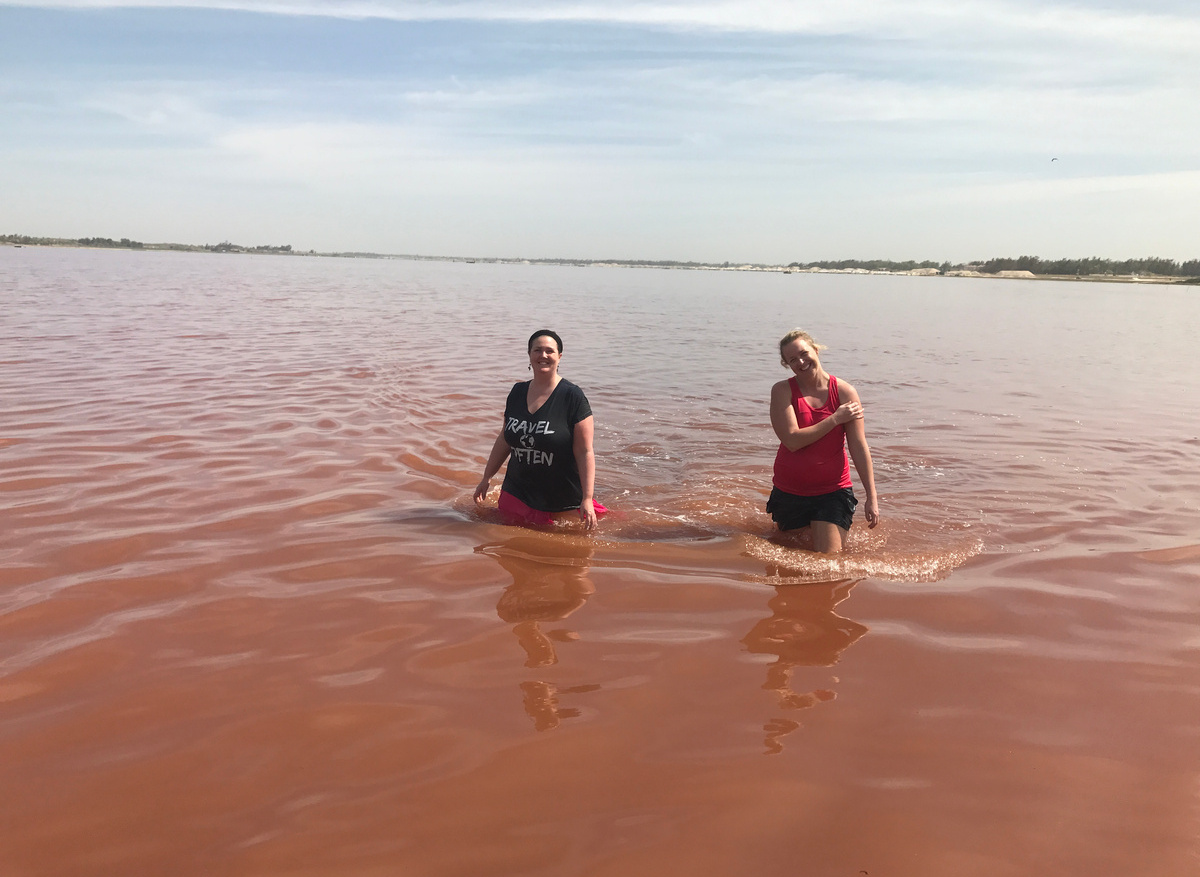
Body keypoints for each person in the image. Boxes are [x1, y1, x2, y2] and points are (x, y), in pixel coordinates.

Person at [474, 330, 605, 530]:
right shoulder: (517, 392)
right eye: (537, 350)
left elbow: (585, 451)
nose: (543, 356)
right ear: (529, 355)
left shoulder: (573, 397)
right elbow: (505, 439)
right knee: (509, 553)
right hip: (517, 495)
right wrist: (486, 478)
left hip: (562, 499)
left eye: (549, 351)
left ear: (559, 356)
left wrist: (587, 498)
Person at [767, 328, 878, 553]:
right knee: (791, 558)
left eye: (804, 353)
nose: (800, 361)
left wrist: (871, 497)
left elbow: (858, 446)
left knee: (826, 561)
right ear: (787, 364)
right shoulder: (782, 391)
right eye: (792, 359)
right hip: (790, 491)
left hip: (832, 491)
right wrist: (836, 418)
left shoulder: (845, 393)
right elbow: (792, 440)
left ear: (816, 350)